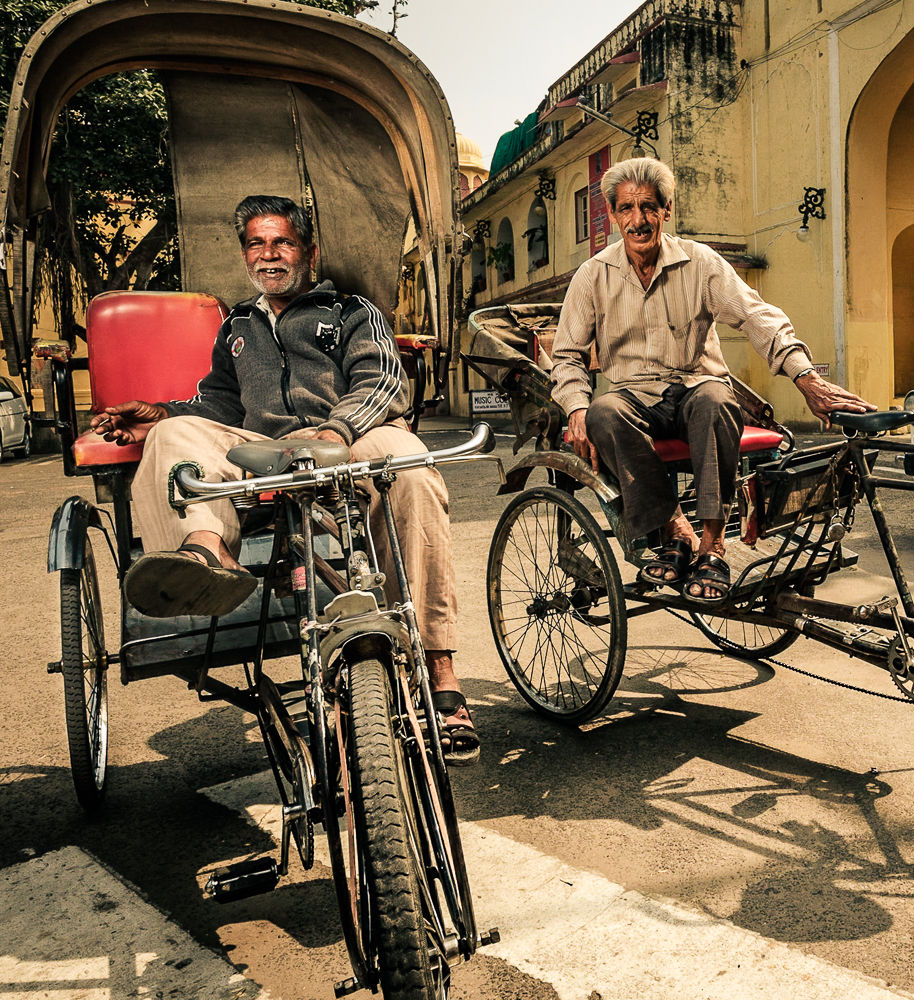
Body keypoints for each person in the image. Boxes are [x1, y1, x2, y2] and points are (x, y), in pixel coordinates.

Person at [90, 195, 479, 764]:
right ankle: (206, 553)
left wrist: (336, 431)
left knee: (412, 469)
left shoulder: (350, 310)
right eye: (256, 243)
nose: (269, 255)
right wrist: (162, 413)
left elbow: (382, 381)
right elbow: (217, 403)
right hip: (264, 449)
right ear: (246, 254)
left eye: (282, 242)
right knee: (173, 439)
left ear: (308, 251)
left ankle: (439, 670)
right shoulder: (238, 326)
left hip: (350, 436)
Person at [552, 158, 874, 603]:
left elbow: (757, 316)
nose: (638, 220)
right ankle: (674, 528)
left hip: (693, 388)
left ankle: (712, 544)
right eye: (626, 208)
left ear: (666, 211)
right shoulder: (593, 275)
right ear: (613, 215)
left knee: (716, 400)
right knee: (604, 412)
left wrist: (805, 377)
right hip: (632, 399)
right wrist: (576, 407)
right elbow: (566, 356)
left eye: (648, 207)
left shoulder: (699, 262)